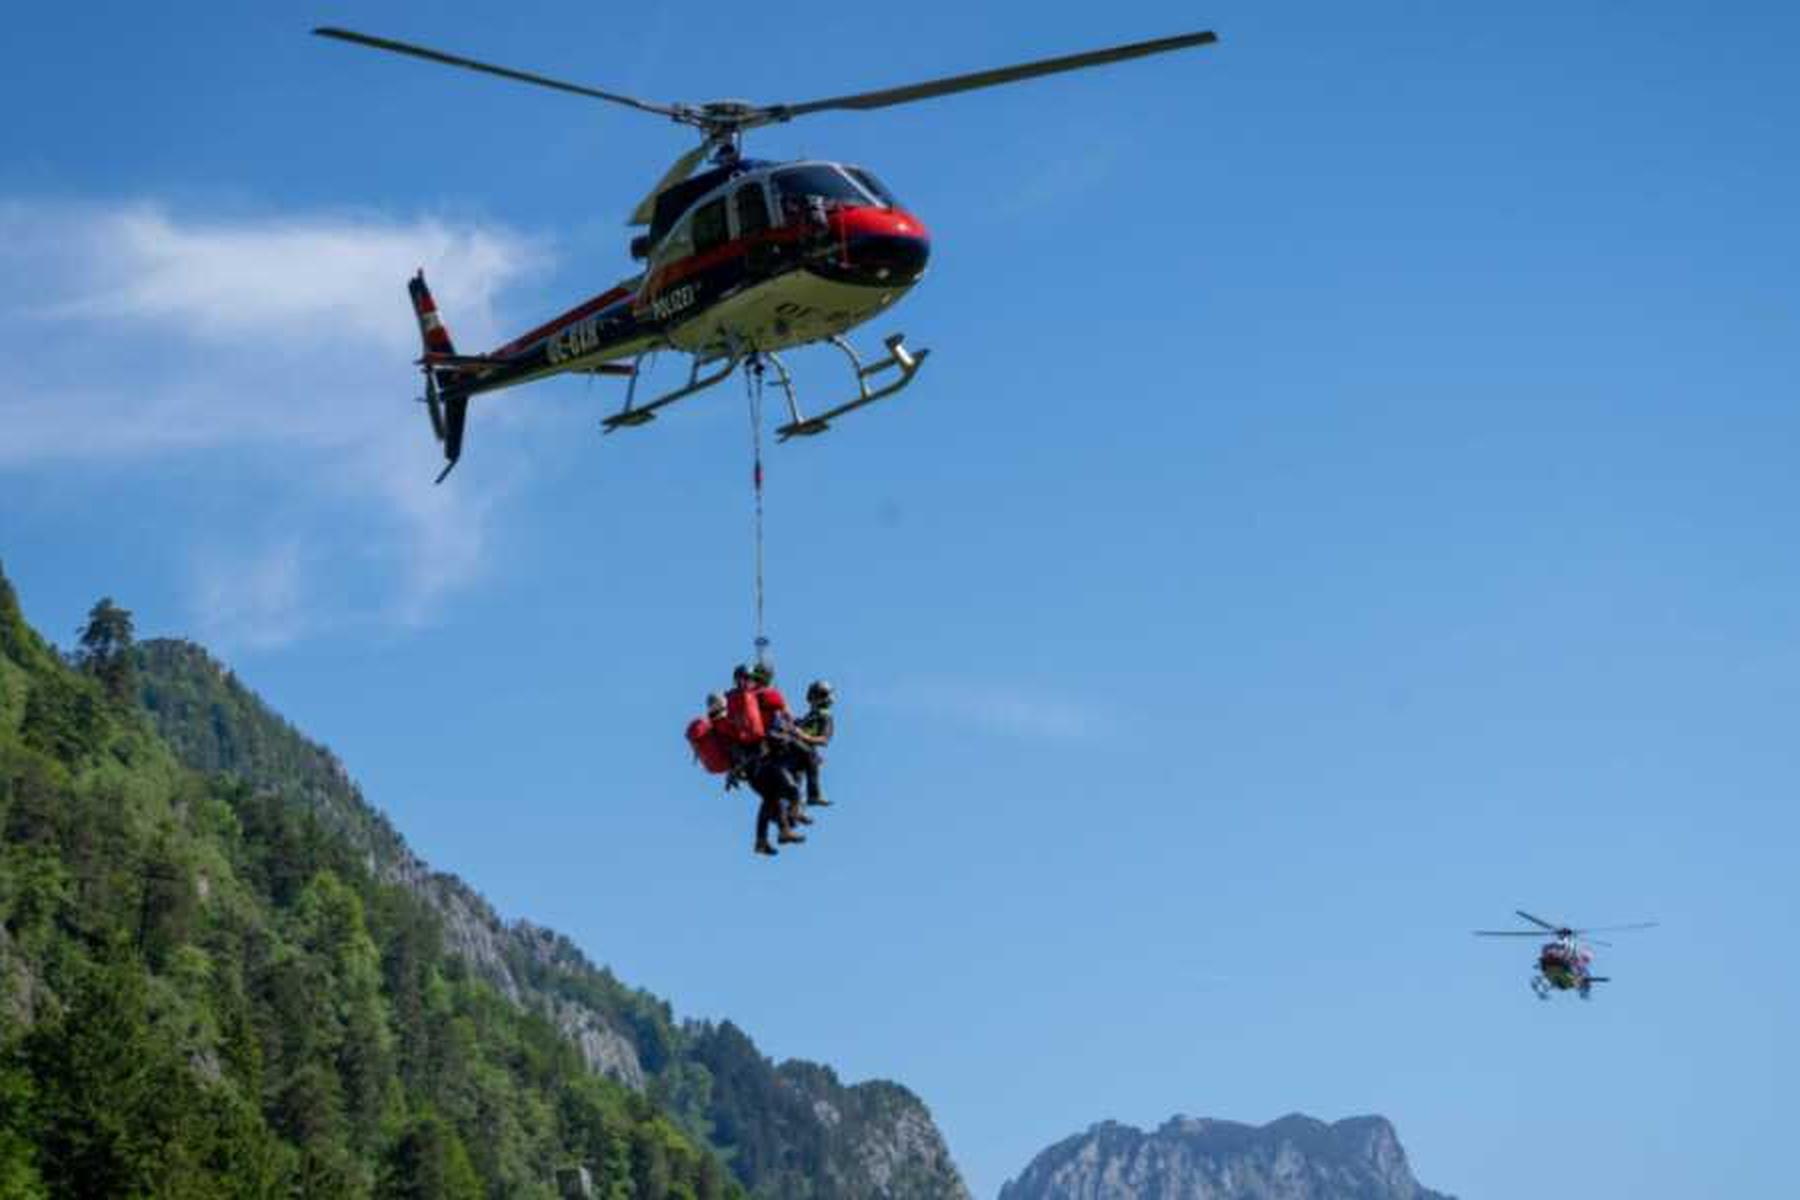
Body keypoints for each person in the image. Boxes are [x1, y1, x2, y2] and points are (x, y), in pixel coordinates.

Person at [793, 680, 835, 807]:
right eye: (812, 695)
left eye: (817, 696)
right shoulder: (809, 715)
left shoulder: (825, 716)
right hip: (793, 746)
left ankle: (813, 796)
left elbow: (824, 740)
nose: (812, 699)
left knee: (811, 758)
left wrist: (804, 736)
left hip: (805, 750)